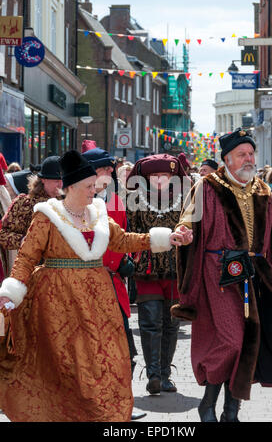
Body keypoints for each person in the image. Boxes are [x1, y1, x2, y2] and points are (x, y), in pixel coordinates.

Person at [0, 149, 187, 422]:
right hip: (56, 301)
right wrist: (11, 293)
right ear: (71, 187)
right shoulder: (47, 216)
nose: (94, 191)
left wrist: (166, 238)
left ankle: (98, 412)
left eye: (93, 186)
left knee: (104, 358)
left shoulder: (98, 213)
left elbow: (123, 241)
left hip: (98, 301)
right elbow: (26, 257)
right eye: (88, 186)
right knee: (65, 361)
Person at [171, 128, 272, 423]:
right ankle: (207, 404)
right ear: (226, 159)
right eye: (242, 154)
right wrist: (183, 233)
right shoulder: (207, 187)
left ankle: (231, 412)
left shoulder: (263, 190)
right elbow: (188, 221)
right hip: (217, 276)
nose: (249, 159)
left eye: (251, 153)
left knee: (250, 341)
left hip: (254, 277)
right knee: (231, 341)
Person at [82, 146, 145, 420]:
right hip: (86, 289)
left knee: (125, 352)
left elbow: (125, 236)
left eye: (109, 169)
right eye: (102, 169)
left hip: (114, 286)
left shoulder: (117, 202)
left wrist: (128, 258)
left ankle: (119, 407)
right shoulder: (75, 203)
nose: (108, 173)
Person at [126, 154, 189, 395]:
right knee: (150, 321)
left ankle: (165, 375)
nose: (160, 180)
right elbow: (127, 229)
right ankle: (153, 374)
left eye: (165, 175)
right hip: (147, 268)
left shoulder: (186, 198)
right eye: (154, 176)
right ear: (145, 177)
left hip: (175, 269)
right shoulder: (134, 198)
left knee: (171, 323)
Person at [0, 157, 62, 252]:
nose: (60, 185)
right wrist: (25, 240)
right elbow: (3, 235)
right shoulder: (24, 203)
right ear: (43, 180)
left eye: (63, 180)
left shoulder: (68, 203)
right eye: (56, 181)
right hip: (33, 263)